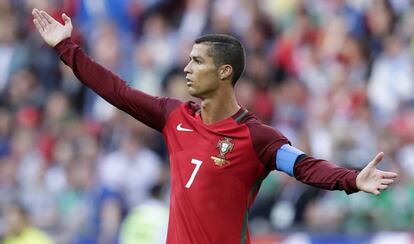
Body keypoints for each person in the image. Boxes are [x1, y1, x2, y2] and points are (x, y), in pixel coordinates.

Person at [31, 9, 398, 244]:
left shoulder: (257, 137)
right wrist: (68, 49)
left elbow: (303, 166)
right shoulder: (174, 116)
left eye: (197, 62)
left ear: (224, 72)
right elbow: (119, 92)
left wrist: (352, 180)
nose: (186, 68)